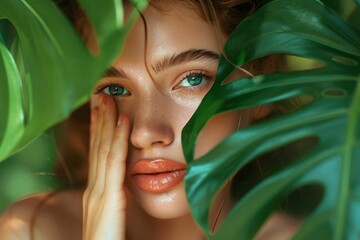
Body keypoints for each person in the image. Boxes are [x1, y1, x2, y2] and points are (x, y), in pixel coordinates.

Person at [0, 0, 301, 239]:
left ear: (260, 80)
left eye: (193, 79)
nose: (144, 132)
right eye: (115, 89)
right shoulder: (31, 231)